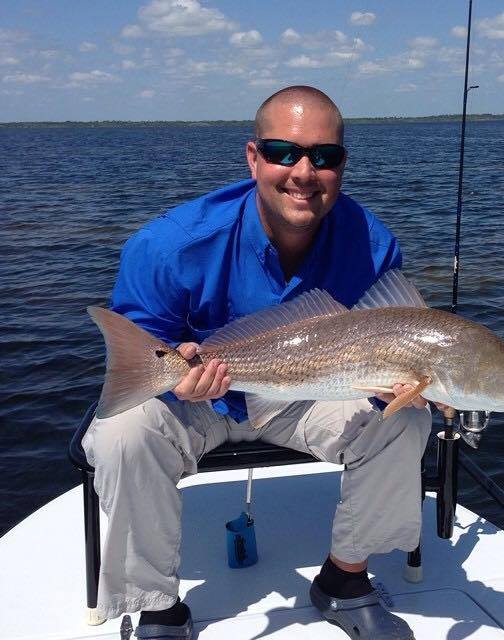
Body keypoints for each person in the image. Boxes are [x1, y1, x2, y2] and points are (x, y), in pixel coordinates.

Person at [82, 85, 432, 640]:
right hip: (197, 397)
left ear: (342, 165)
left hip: (308, 393)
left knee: (408, 419)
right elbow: (143, 351)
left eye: (324, 156)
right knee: (123, 432)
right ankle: (157, 606)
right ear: (252, 157)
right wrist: (180, 377)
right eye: (282, 151)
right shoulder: (171, 244)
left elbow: (391, 338)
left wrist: (413, 383)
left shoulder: (372, 244)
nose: (303, 171)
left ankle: (344, 580)